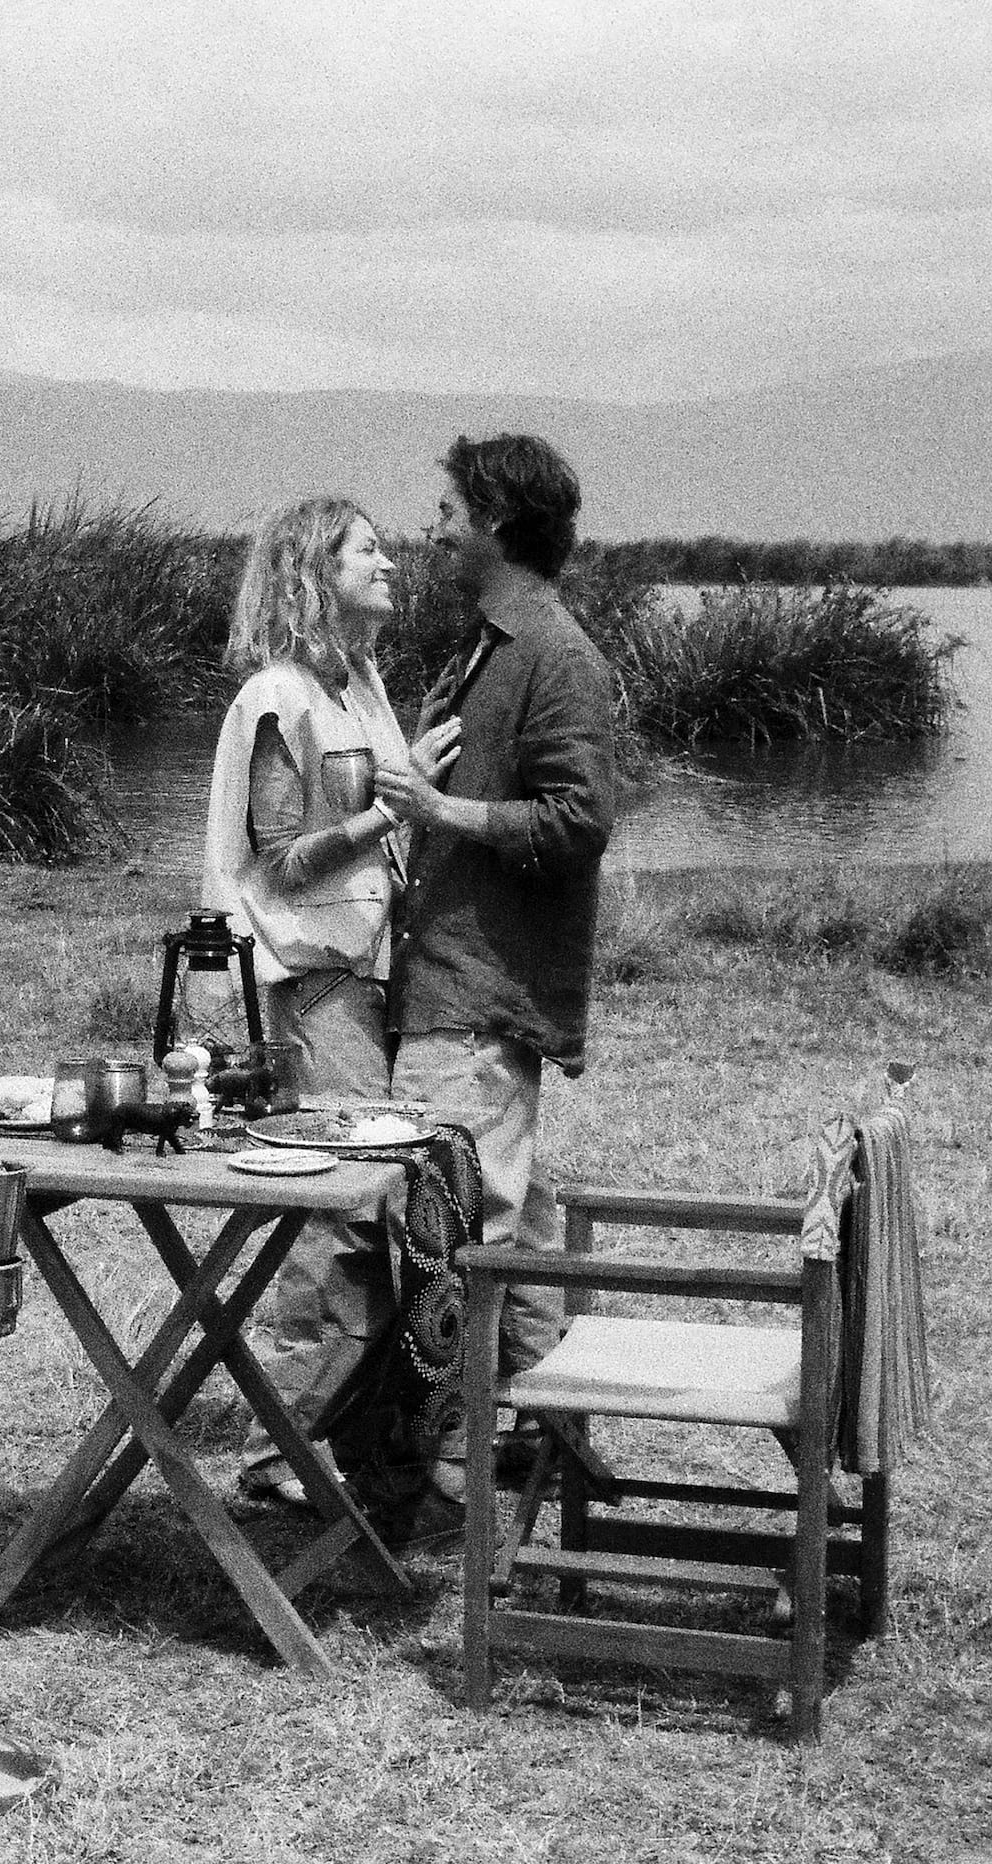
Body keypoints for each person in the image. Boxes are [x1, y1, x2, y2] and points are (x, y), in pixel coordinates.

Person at [374, 433, 616, 1525]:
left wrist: (442, 813)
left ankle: (454, 1481)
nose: (429, 524)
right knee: (501, 1224)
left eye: (446, 506)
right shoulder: (488, 645)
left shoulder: (554, 654)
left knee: (454, 1239)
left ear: (495, 521)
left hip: (477, 998)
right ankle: (542, 1445)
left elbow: (578, 820)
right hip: (449, 985)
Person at [201, 497, 460, 1506]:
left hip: (371, 965)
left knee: (380, 1203)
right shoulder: (276, 696)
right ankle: (282, 1446)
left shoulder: (359, 681)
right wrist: (386, 811)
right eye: (367, 550)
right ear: (315, 570)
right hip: (312, 980)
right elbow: (278, 855)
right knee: (334, 1210)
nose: (389, 562)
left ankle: (359, 1436)